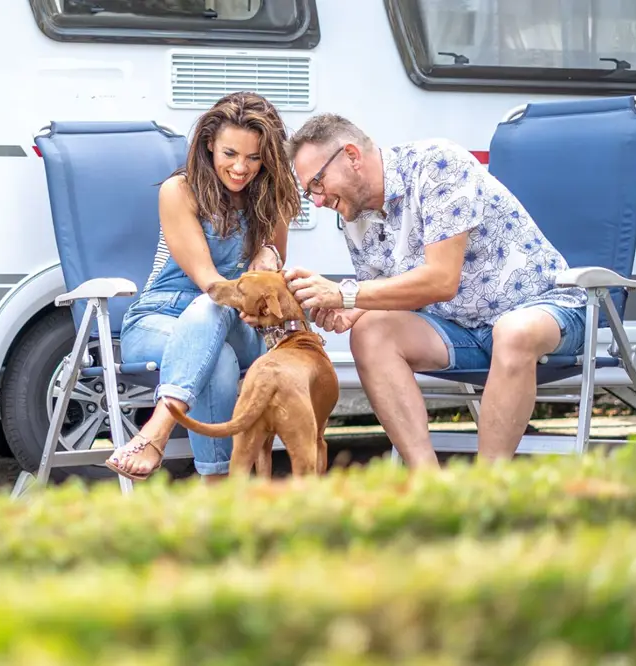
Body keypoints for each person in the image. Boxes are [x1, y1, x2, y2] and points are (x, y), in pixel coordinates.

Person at [282, 113, 588, 468]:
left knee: (513, 330)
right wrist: (346, 310)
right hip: (459, 329)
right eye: (309, 193)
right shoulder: (354, 218)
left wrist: (346, 294)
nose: (317, 201)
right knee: (370, 333)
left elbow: (442, 280)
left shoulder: (438, 165)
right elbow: (377, 293)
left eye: (317, 184)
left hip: (543, 307)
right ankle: (428, 485)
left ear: (351, 156)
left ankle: (487, 494)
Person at [104, 92, 302, 482]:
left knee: (216, 314)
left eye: (254, 157)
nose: (241, 168)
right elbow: (210, 282)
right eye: (230, 153)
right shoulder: (178, 191)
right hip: (159, 320)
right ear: (209, 143)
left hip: (240, 322)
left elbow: (270, 277)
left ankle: (156, 431)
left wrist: (269, 256)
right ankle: (218, 487)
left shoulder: (271, 198)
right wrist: (253, 275)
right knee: (219, 354)